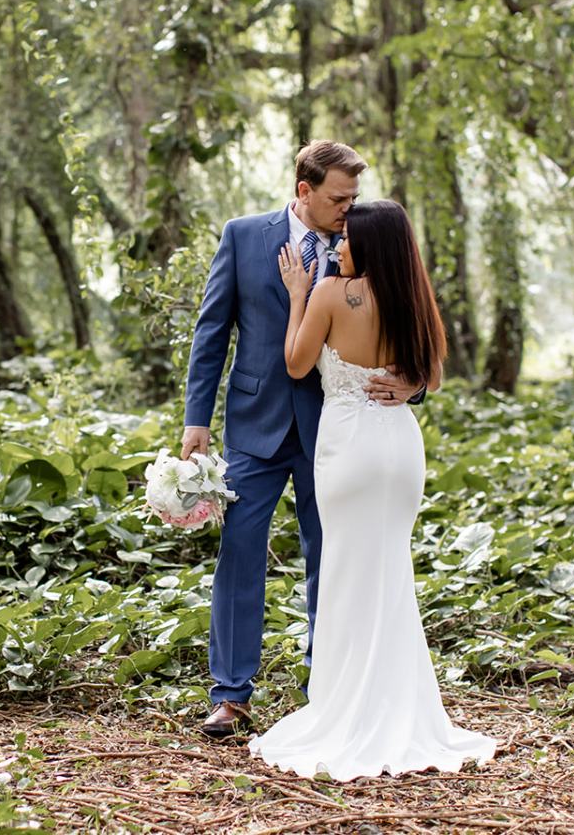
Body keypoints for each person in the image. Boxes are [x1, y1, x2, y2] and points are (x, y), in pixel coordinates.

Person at [244, 197, 497, 780]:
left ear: (369, 243)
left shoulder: (334, 292)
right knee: (390, 572)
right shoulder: (411, 295)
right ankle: (400, 706)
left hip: (350, 449)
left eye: (348, 236)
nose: (339, 244)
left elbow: (295, 364)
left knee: (346, 574)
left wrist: (300, 293)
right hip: (400, 449)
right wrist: (407, 385)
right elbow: (430, 374)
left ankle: (345, 708)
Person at [182, 141, 426, 740]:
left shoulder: (365, 247)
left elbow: (404, 321)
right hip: (255, 425)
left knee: (333, 555)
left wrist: (411, 387)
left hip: (341, 433)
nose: (349, 209)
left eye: (354, 197)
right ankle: (231, 695)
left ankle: (330, 687)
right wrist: (196, 419)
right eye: (339, 197)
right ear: (304, 191)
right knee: (240, 553)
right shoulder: (243, 236)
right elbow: (212, 332)